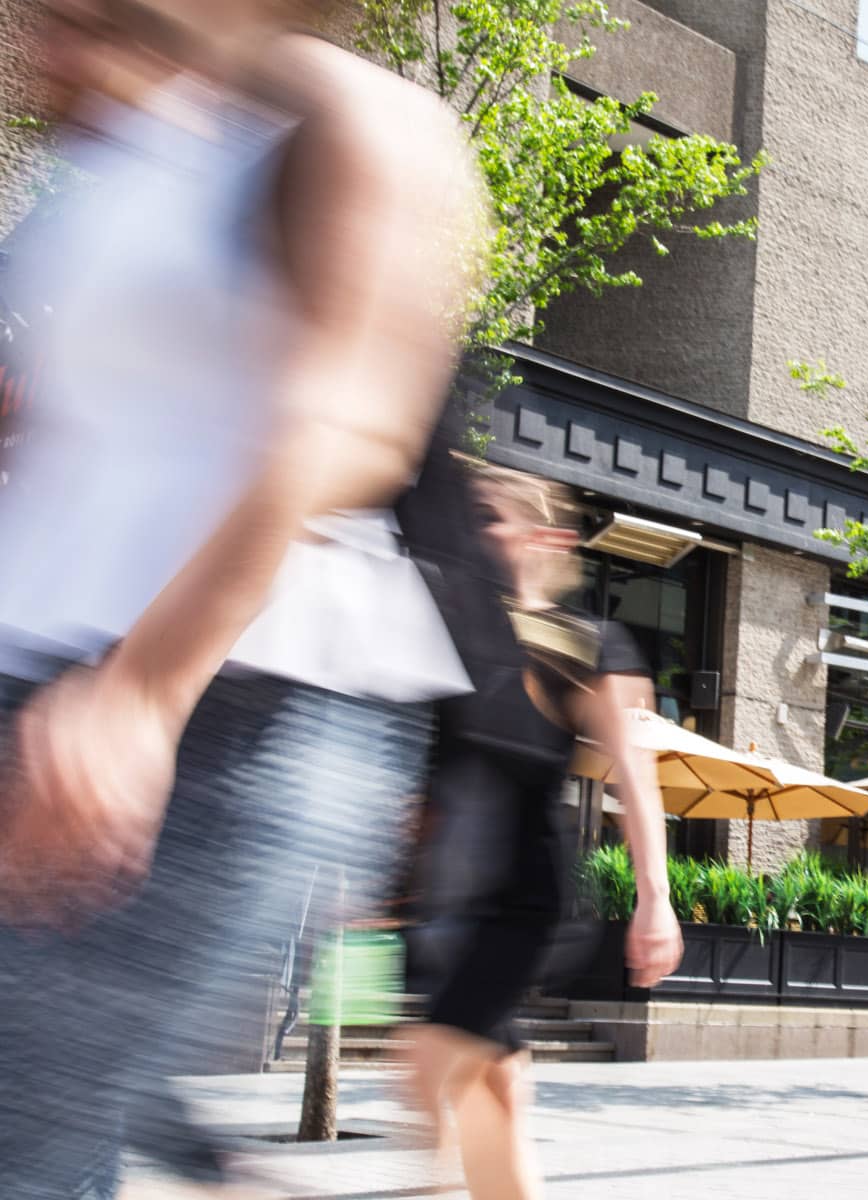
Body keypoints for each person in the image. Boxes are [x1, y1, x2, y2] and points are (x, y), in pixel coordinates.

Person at [0, 0, 483, 1193]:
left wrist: (141, 696)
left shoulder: (350, 117)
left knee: (27, 1136)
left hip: (222, 707)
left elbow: (345, 428)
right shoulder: (118, 150)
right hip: (34, 663)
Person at [403, 465, 682, 1199]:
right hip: (441, 901)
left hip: (520, 898)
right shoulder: (445, 621)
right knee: (493, 1095)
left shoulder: (589, 642)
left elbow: (634, 775)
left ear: (543, 537)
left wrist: (655, 899)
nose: (476, 534)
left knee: (426, 1074)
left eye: (491, 518)